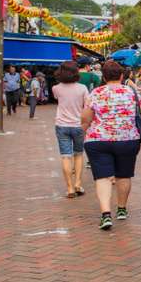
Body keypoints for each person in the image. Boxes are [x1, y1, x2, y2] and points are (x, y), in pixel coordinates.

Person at [81, 60, 141, 231]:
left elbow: (86, 118)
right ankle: (122, 209)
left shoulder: (96, 93)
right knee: (124, 175)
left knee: (102, 177)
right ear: (122, 75)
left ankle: (105, 214)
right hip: (127, 139)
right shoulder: (132, 92)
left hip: (98, 139)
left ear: (103, 76)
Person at [53, 61, 88, 198]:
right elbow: (87, 105)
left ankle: (69, 188)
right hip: (78, 125)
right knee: (78, 154)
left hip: (61, 125)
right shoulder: (83, 88)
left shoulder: (56, 88)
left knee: (65, 156)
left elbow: (58, 99)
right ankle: (78, 183)